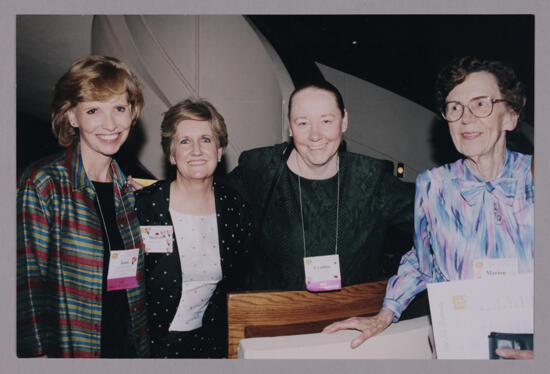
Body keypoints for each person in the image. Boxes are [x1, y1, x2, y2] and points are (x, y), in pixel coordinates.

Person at [324, 57, 534, 360]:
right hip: (459, 346)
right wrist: (386, 313)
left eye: (480, 104)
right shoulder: (434, 185)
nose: (465, 118)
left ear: (511, 116)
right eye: (455, 107)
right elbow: (423, 261)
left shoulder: (536, 177)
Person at [222, 81, 415, 291]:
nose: (315, 135)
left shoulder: (369, 178)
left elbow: (436, 222)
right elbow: (207, 208)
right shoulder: (260, 170)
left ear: (344, 121)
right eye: (303, 123)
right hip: (275, 316)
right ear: (290, 126)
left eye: (326, 121)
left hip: (351, 317)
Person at [17, 55, 150, 357]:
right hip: (72, 352)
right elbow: (25, 290)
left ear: (132, 113)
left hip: (129, 351)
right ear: (72, 117)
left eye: (119, 108)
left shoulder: (129, 191)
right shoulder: (42, 184)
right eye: (93, 110)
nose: (110, 124)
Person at [134, 99, 253, 358]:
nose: (196, 150)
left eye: (206, 140)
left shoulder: (235, 209)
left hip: (212, 346)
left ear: (220, 151)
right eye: (185, 141)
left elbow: (244, 280)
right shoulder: (141, 207)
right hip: (147, 347)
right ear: (171, 153)